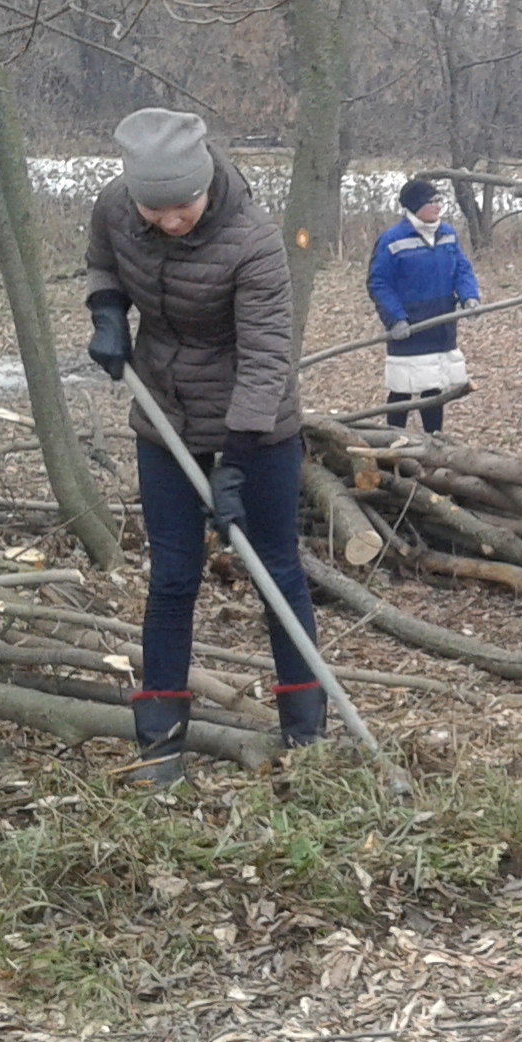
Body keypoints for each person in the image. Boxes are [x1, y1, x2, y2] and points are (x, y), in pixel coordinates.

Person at [85, 108, 324, 785]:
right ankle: (161, 744)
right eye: (154, 211)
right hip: (163, 416)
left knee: (275, 568)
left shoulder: (252, 241)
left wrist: (238, 465)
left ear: (206, 184)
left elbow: (267, 357)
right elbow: (102, 262)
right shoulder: (116, 206)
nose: (169, 222)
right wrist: (106, 312)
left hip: (258, 426)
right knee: (172, 576)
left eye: (182, 207)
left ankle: (306, 737)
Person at [365, 178, 480, 433]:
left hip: (440, 323)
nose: (439, 206)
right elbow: (378, 283)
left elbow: (462, 269)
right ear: (416, 206)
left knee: (434, 387)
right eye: (432, 201)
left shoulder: (448, 234)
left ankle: (433, 438)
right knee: (402, 388)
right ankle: (395, 438)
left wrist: (469, 296)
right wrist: (395, 319)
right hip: (410, 326)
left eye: (440, 200)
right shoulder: (392, 240)